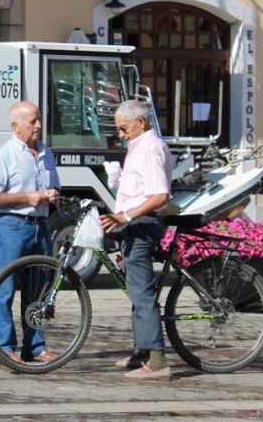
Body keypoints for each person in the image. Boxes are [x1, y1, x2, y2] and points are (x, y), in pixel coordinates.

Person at [99, 100, 174, 382]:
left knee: (142, 292)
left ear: (140, 123)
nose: (120, 134)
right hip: (134, 224)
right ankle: (143, 350)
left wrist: (125, 216)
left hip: (141, 226)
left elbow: (159, 196)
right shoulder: (138, 148)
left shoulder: (150, 149)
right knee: (136, 289)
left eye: (123, 128)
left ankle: (158, 360)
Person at [0, 101, 60, 364]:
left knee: (38, 291)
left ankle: (35, 347)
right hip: (14, 226)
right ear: (16, 126)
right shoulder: (3, 156)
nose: (38, 125)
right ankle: (4, 347)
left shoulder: (46, 153)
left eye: (39, 120)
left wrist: (52, 195)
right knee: (5, 288)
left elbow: (56, 186)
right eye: (32, 122)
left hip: (41, 227)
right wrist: (27, 197)